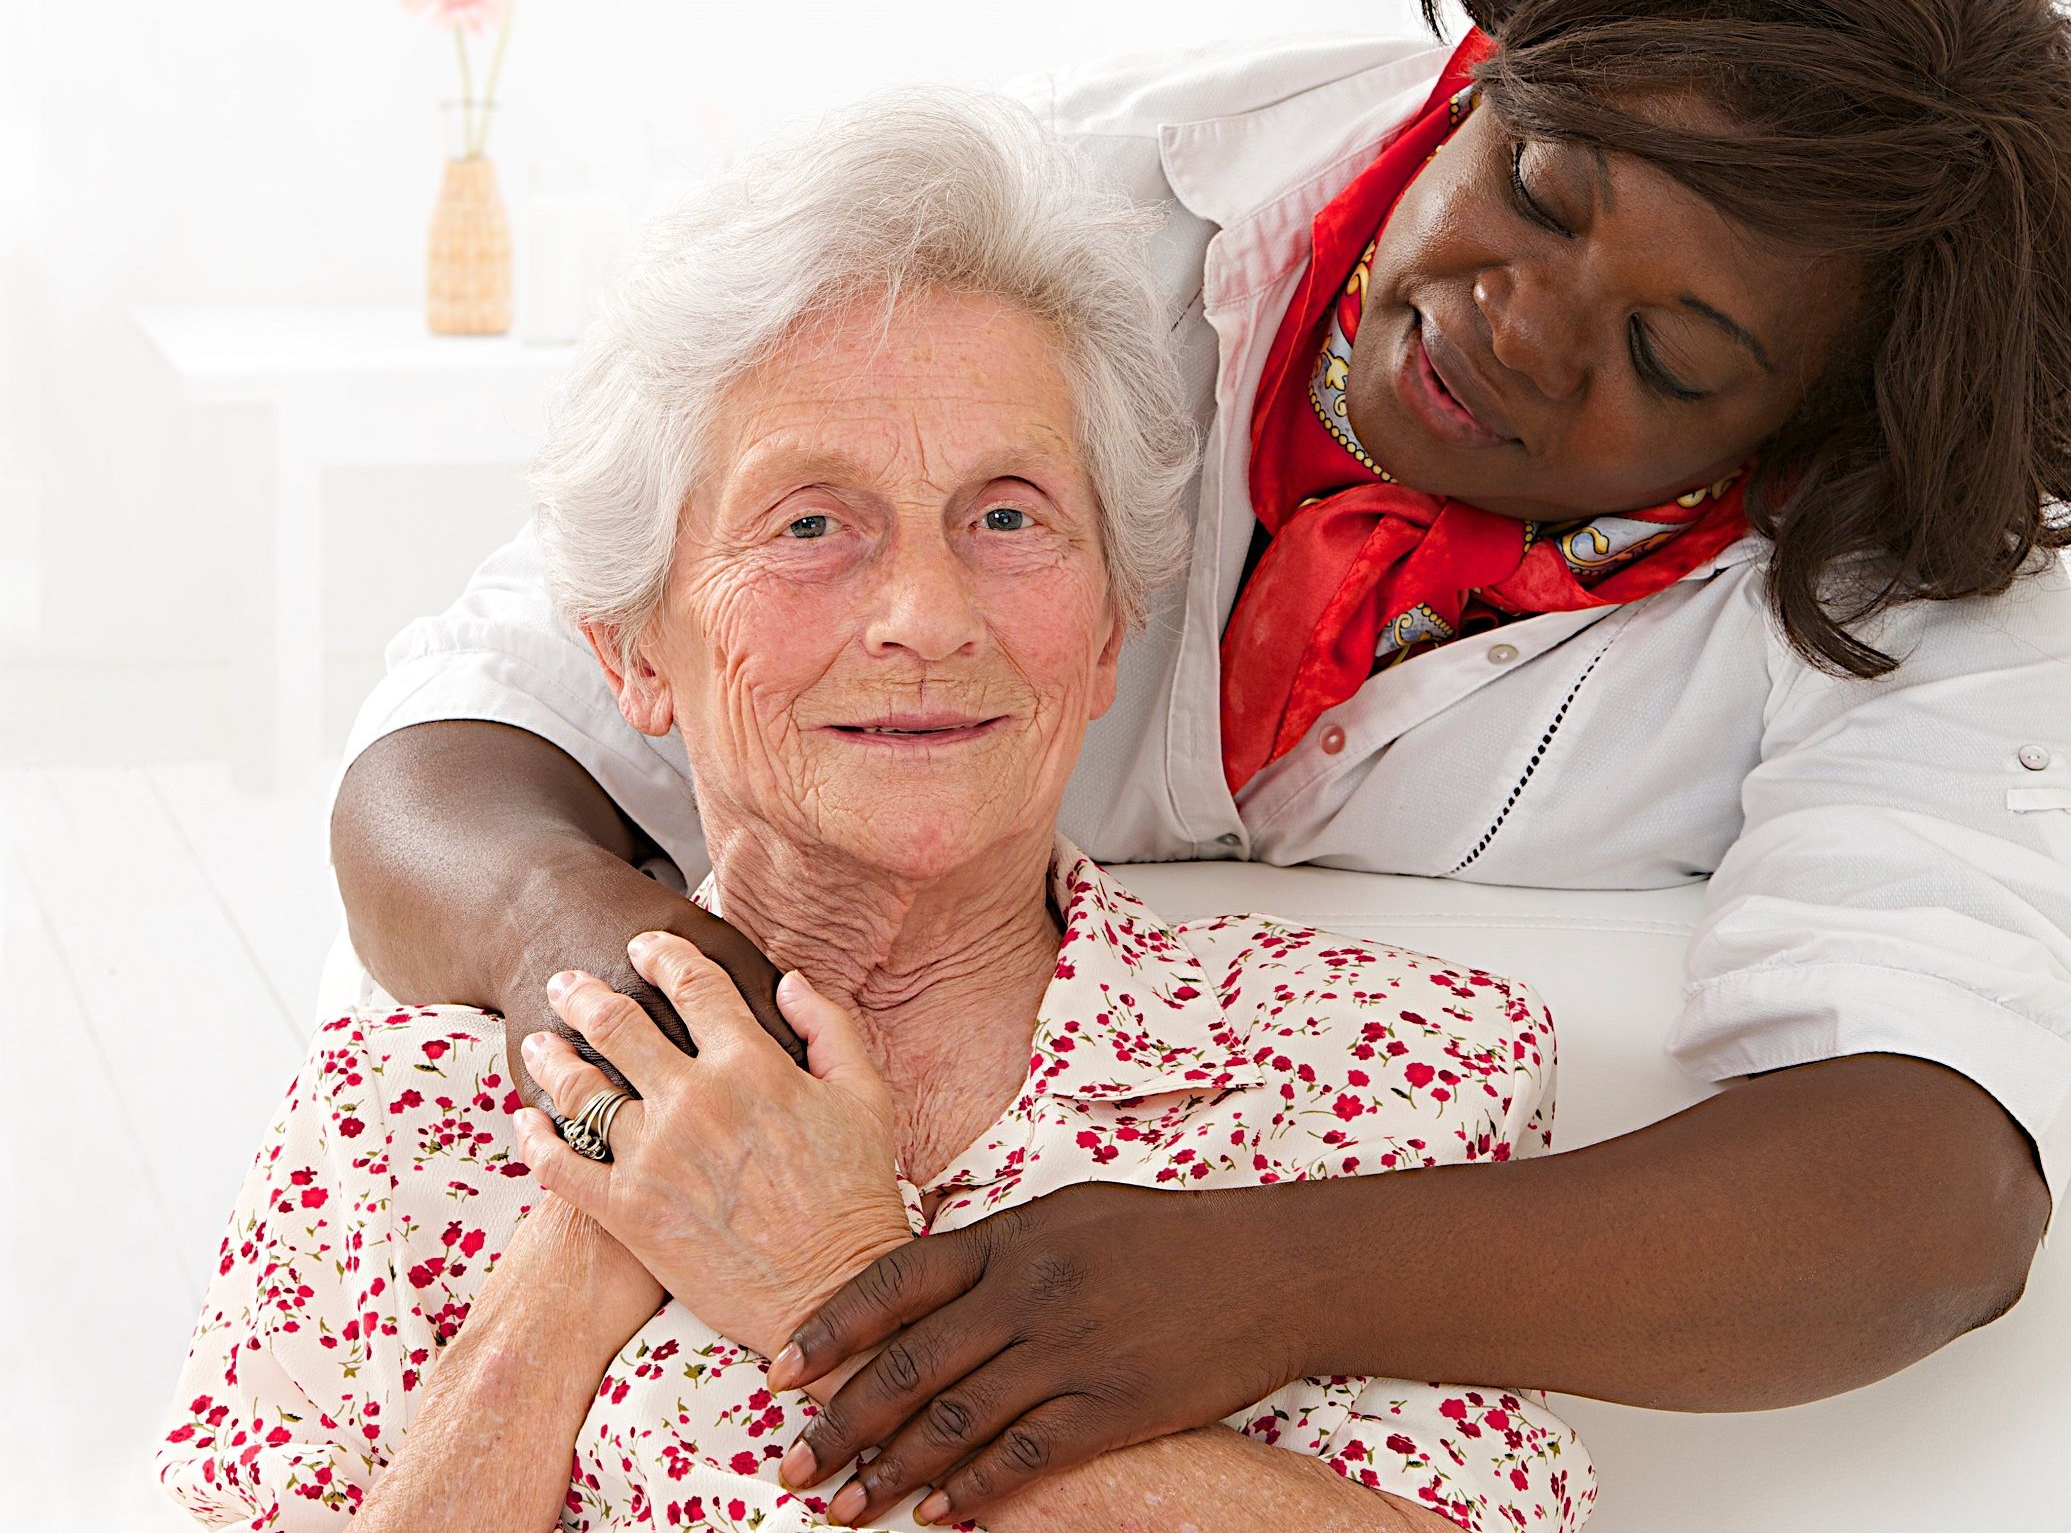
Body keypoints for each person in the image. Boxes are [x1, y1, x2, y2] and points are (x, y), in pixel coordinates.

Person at [326, 0, 2071, 1523]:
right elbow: (467, 736)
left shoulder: (1896, 565)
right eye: (1537, 193)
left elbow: (1930, 1190)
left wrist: (1270, 1281)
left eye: (1669, 355)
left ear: (1809, 437)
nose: (1523, 328)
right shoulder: (1066, 232)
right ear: (1481, 63)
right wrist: (627, 1008)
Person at [158, 96, 1594, 1533]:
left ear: (1106, 629)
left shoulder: (1390, 1074)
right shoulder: (393, 1120)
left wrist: (828, 1277)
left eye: (1011, 516)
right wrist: (572, 1261)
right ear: (632, 653)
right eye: (809, 525)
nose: (924, 615)